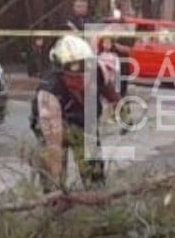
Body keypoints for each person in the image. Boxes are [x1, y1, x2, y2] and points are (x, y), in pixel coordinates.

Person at [30, 35, 121, 192]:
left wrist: (121, 109)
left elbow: (108, 90)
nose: (82, 75)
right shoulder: (50, 90)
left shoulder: (97, 71)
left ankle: (96, 197)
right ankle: (54, 198)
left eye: (85, 66)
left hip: (85, 124)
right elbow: (53, 140)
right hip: (54, 126)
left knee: (94, 174)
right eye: (74, 68)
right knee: (52, 176)